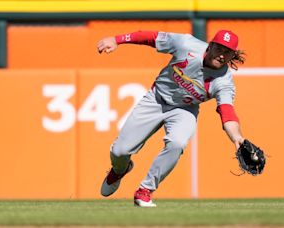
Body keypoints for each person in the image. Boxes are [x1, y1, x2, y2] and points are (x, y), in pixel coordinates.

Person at [97, 29, 246, 207]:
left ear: (233, 56)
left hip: (185, 109)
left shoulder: (223, 81)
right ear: (211, 45)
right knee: (120, 151)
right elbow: (151, 37)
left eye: (228, 52)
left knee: (177, 142)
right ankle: (120, 169)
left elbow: (227, 111)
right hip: (156, 98)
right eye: (220, 48)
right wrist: (117, 38)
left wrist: (237, 138)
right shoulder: (185, 44)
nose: (222, 55)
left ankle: (145, 190)